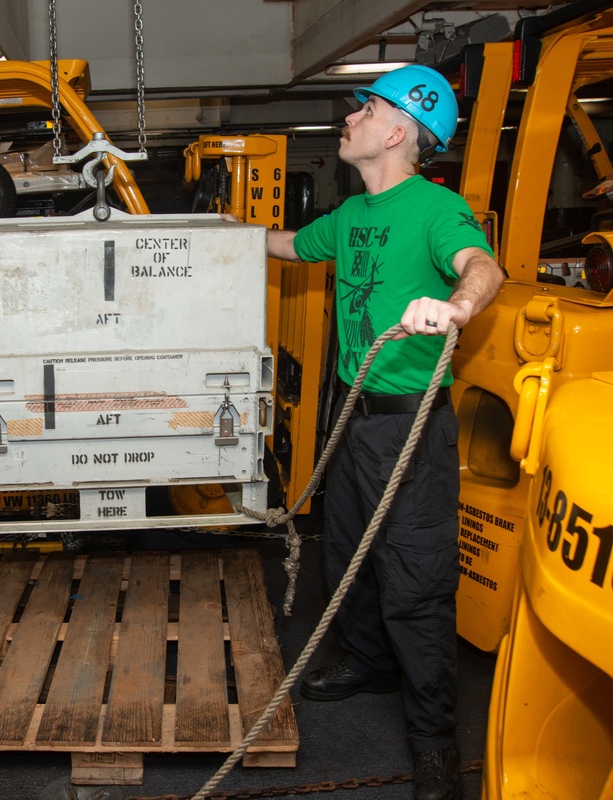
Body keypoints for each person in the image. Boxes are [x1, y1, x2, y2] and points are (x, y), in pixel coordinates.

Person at [228, 65, 503, 800]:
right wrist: (222, 235)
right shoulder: (351, 218)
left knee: (416, 584)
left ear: (398, 131)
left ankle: (436, 741)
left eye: (365, 108)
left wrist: (457, 308)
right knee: (344, 551)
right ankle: (366, 661)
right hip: (352, 416)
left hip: (411, 428)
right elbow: (286, 246)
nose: (349, 119)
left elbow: (482, 265)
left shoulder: (435, 208)